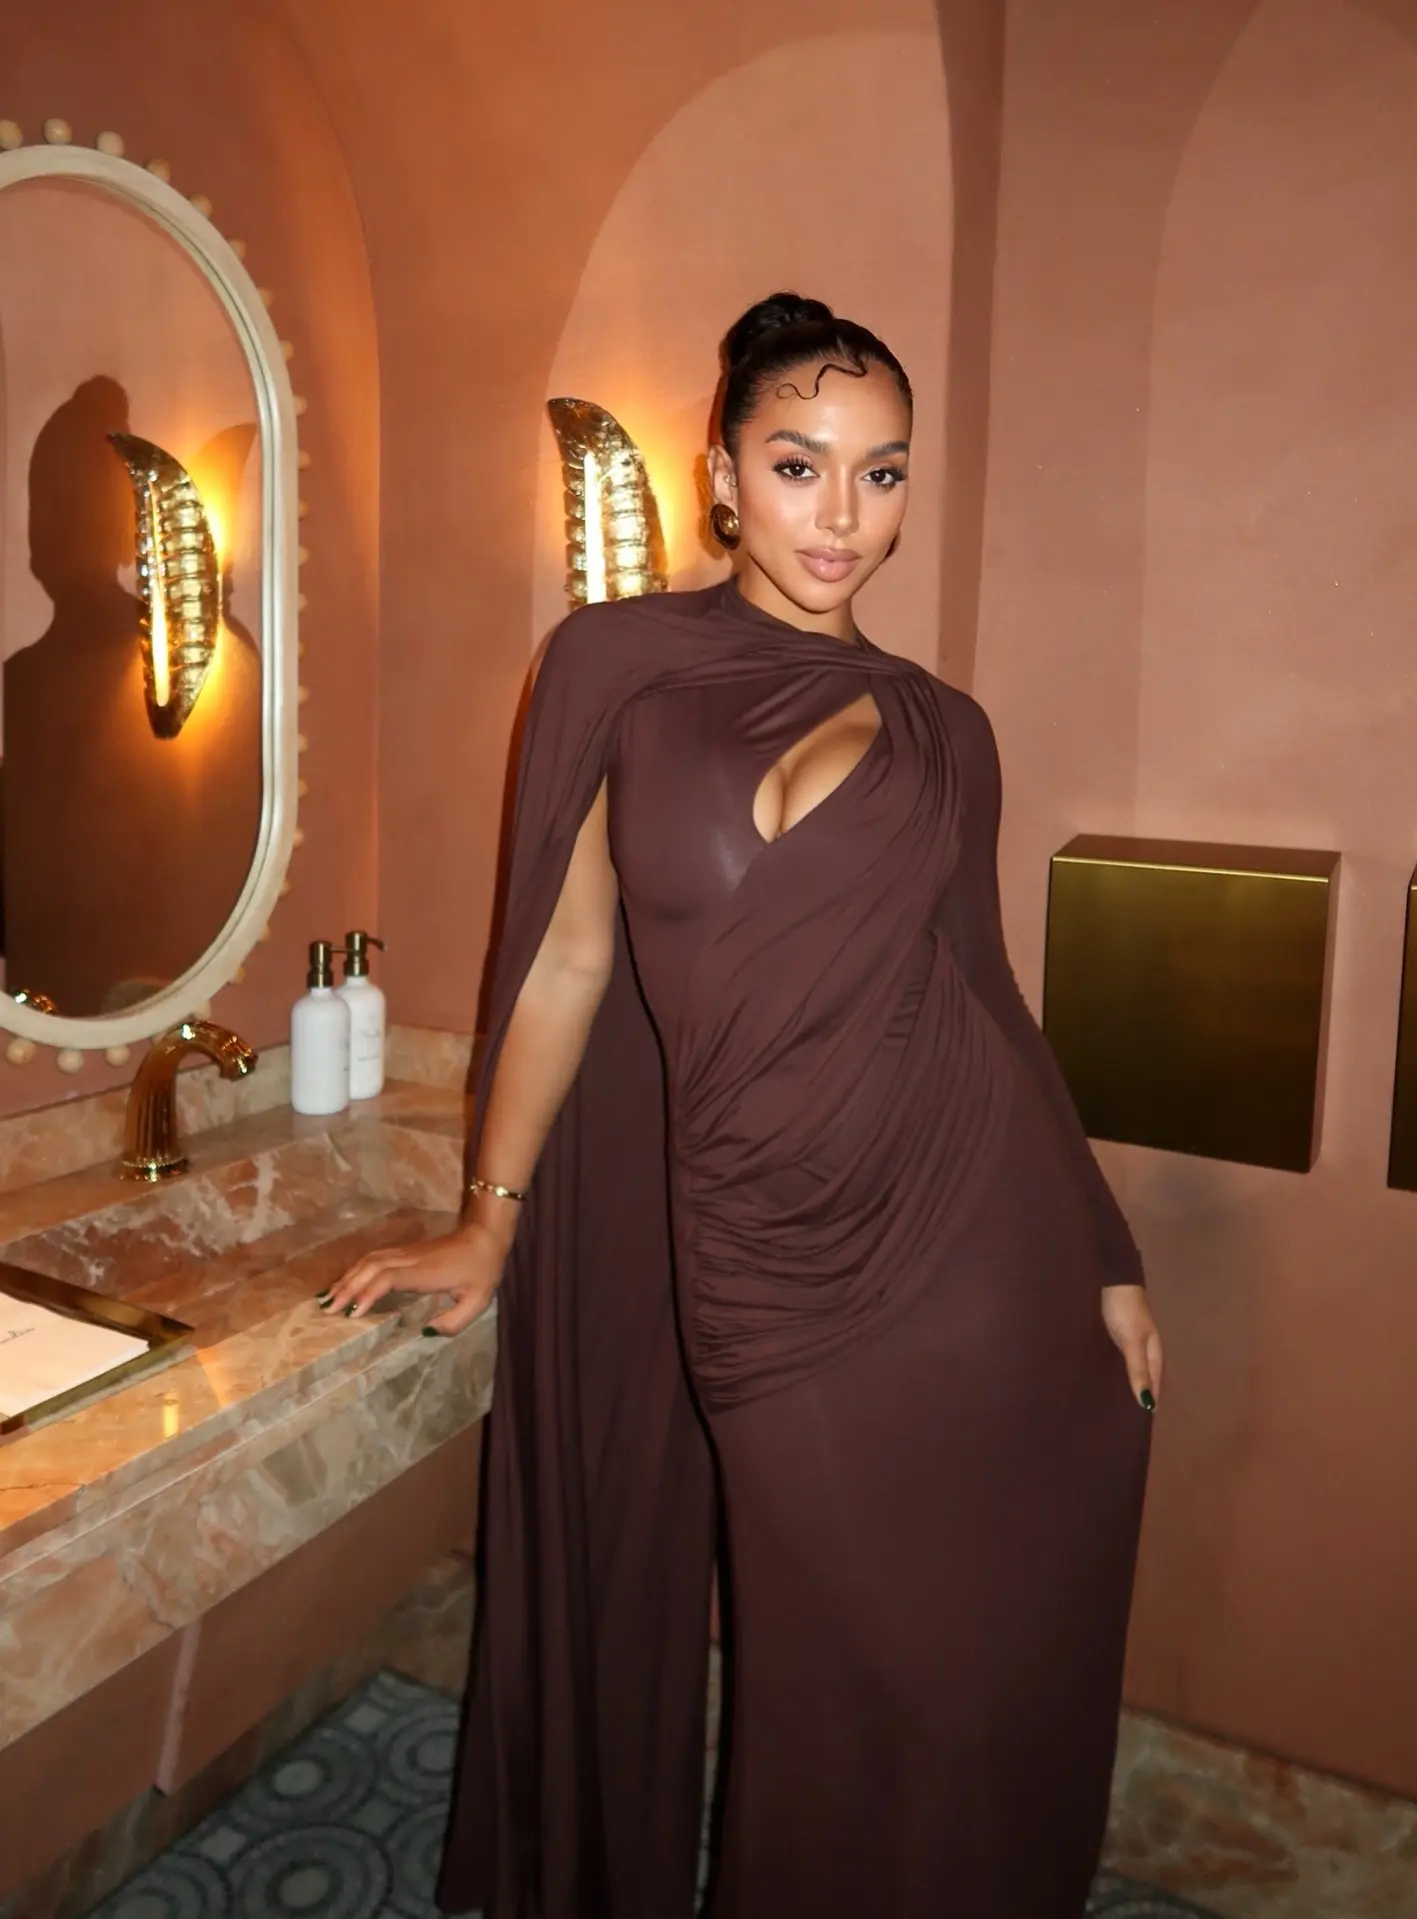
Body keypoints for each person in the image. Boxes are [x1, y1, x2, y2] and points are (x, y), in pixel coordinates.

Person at [324, 292, 1162, 1918]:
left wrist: (1106, 1251)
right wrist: (486, 1224)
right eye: (799, 464)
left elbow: (989, 993)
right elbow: (565, 965)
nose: (843, 515)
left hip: (969, 1243)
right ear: (720, 473)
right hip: (765, 1266)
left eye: (882, 472)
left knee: (948, 1685)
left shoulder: (949, 732)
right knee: (847, 1666)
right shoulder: (615, 666)